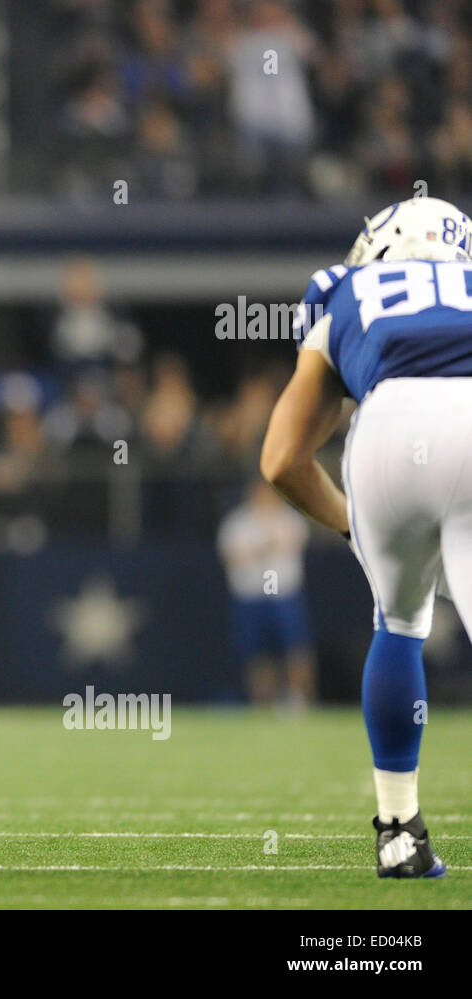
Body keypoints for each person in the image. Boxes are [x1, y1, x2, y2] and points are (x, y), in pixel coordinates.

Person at [260, 194, 472, 879]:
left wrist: (354, 523)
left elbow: (281, 460)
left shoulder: (342, 288)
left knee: (399, 623)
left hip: (382, 429)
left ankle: (398, 829)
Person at [217, 479, 316, 707]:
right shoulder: (237, 523)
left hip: (284, 597)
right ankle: (262, 702)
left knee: (296, 649)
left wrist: (258, 550)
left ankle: (300, 700)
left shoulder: (290, 519)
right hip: (250, 598)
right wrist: (263, 547)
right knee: (256, 655)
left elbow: (293, 545)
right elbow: (233, 557)